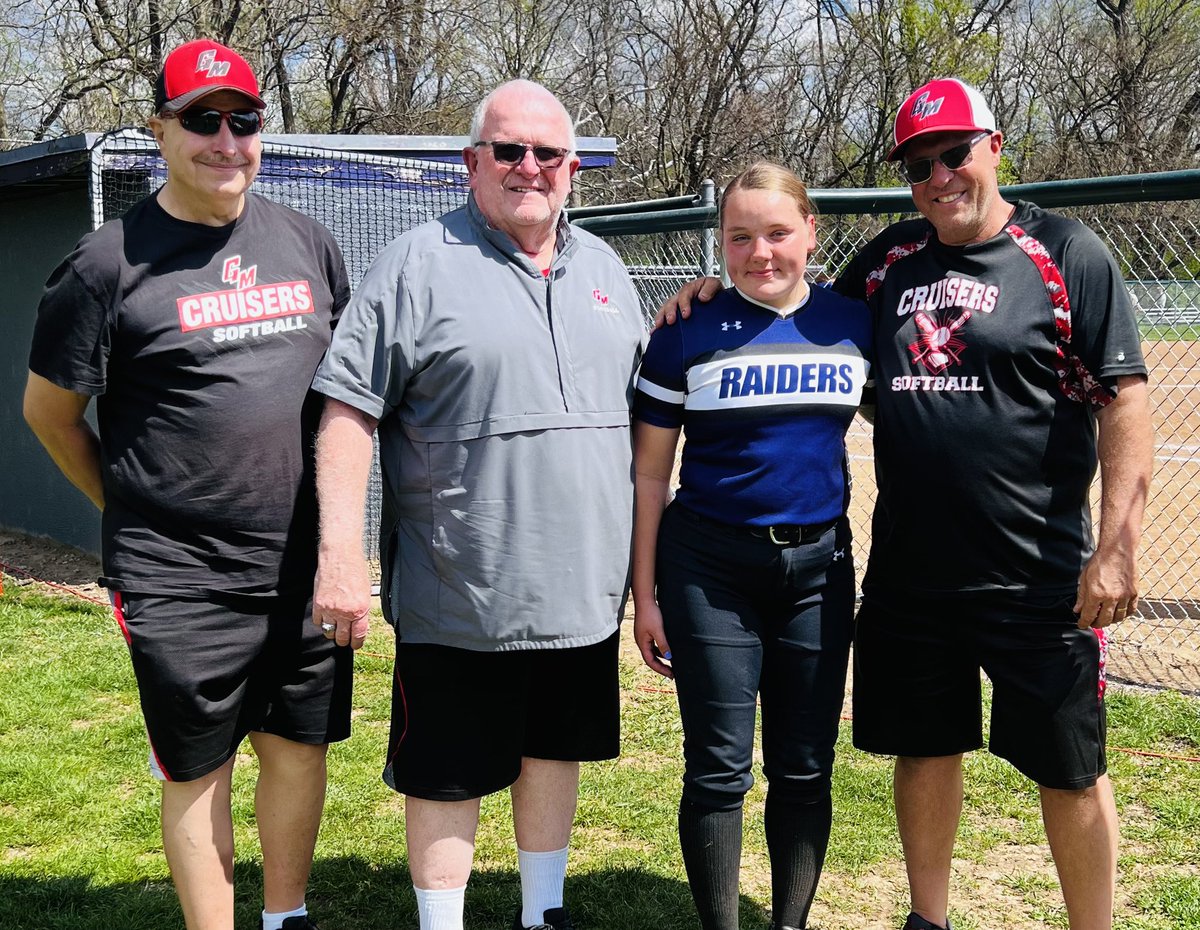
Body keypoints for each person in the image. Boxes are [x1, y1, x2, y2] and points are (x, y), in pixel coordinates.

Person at [657, 78, 1153, 930]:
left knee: (1070, 766)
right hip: (912, 573)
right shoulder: (890, 260)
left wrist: (1116, 544)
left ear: (994, 147)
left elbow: (1125, 398)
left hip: (1035, 571)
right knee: (927, 749)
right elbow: (790, 294)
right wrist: (712, 288)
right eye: (919, 165)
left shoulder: (1066, 254)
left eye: (954, 153)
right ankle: (929, 918)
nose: (938, 177)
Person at [23, 38, 353, 930]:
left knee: (297, 747)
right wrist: (128, 513)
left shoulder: (307, 243)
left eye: (242, 120)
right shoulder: (105, 265)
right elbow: (50, 415)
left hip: (300, 563)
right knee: (198, 766)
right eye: (201, 120)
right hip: (177, 577)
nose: (224, 139)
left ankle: (286, 916)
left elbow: (346, 400)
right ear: (161, 132)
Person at [309, 79, 646, 930]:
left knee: (553, 750)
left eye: (548, 153)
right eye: (508, 150)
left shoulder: (607, 269)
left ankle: (543, 912)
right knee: (448, 773)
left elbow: (650, 416)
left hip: (580, 597)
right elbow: (348, 407)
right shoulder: (418, 262)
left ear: (573, 168)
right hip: (459, 593)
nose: (528, 167)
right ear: (471, 163)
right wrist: (339, 554)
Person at [631, 163, 870, 930]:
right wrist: (645, 595)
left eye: (777, 233)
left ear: (811, 233)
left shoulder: (853, 322)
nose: (760, 252)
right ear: (720, 243)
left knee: (804, 768)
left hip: (819, 570)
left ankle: (789, 924)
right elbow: (648, 474)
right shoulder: (683, 332)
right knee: (717, 770)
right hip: (709, 570)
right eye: (740, 237)